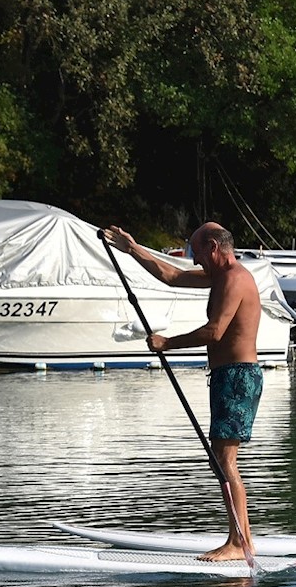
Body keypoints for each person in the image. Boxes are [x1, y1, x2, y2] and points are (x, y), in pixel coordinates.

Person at [103, 222, 263, 561]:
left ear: (214, 248)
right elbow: (171, 277)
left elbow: (215, 331)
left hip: (238, 377)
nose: (196, 260)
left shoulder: (234, 279)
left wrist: (167, 343)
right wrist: (133, 248)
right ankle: (242, 539)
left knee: (225, 461)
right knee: (220, 461)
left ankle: (239, 543)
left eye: (197, 252)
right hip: (227, 376)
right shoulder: (220, 276)